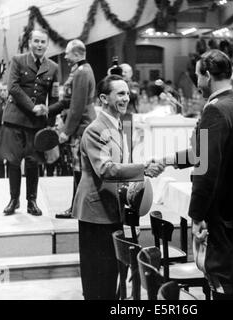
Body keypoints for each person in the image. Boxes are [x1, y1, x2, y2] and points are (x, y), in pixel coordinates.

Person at [159, 49, 233, 299]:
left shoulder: (215, 110)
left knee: (219, 281)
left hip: (218, 214)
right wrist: (168, 160)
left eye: (198, 77)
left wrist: (196, 215)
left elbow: (205, 167)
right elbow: (202, 153)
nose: (198, 84)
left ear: (208, 76)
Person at [72, 74, 164, 300]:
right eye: (120, 93)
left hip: (111, 209)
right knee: (98, 280)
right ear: (104, 98)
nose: (126, 97)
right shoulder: (95, 129)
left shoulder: (118, 125)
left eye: (127, 92)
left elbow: (120, 166)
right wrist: (143, 168)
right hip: (95, 212)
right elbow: (106, 169)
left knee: (112, 275)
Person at [0, 29, 58, 216]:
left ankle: (31, 201)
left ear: (47, 45)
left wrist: (50, 125)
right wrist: (33, 107)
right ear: (30, 43)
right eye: (36, 41)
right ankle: (13, 199)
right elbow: (13, 88)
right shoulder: (18, 60)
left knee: (33, 162)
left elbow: (54, 97)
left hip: (37, 124)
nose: (40, 45)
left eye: (43, 42)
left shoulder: (53, 67)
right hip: (15, 120)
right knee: (13, 161)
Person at [51, 39, 96, 219]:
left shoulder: (81, 72)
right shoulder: (81, 70)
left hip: (81, 126)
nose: (65, 55)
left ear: (77, 54)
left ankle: (76, 208)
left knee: (79, 169)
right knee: (79, 169)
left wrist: (66, 132)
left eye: (68, 53)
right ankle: (77, 206)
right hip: (82, 124)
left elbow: (77, 107)